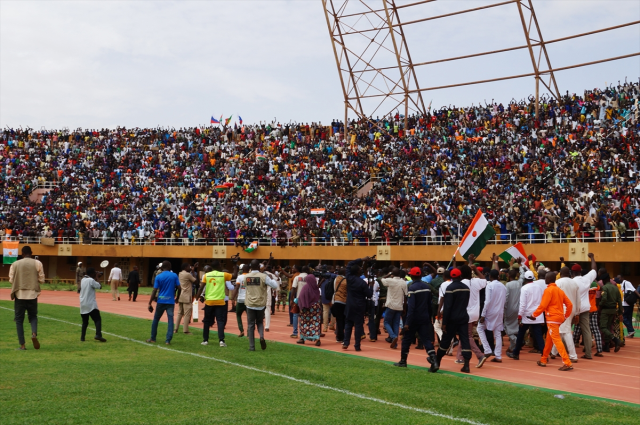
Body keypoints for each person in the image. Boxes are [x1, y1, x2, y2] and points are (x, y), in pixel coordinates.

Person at [393, 267, 437, 370]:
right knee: (426, 339)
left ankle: (403, 361)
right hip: (425, 317)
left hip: (414, 318)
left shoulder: (412, 288)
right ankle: (434, 360)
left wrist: (407, 323)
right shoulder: (427, 287)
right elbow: (429, 304)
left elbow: (411, 307)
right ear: (421, 275)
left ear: (412, 276)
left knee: (406, 340)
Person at [529, 272, 573, 371]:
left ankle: (567, 362)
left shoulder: (548, 290)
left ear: (548, 279)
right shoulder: (559, 290)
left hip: (552, 318)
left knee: (556, 340)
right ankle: (543, 359)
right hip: (559, 318)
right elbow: (569, 305)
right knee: (549, 339)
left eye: (545, 277)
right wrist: (565, 316)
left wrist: (534, 315)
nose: (544, 279)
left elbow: (543, 305)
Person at [436, 268, 472, 373]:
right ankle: (466, 365)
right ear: (460, 276)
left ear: (451, 277)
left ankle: (437, 362)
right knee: (465, 340)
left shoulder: (450, 288)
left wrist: (445, 323)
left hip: (452, 319)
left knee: (446, 340)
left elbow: (447, 307)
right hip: (463, 317)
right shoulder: (466, 288)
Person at [9, 246, 45, 350]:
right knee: (33, 316)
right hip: (32, 294)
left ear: (22, 253)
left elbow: (11, 280)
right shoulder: (38, 263)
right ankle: (34, 334)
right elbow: (42, 279)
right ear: (31, 253)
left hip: (19, 294)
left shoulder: (15, 264)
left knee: (19, 320)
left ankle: (22, 345)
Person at [196, 260, 238, 347]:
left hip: (209, 302)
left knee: (207, 321)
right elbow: (235, 275)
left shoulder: (206, 275)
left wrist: (197, 297)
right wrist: (235, 265)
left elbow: (201, 288)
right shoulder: (223, 275)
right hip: (220, 302)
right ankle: (221, 341)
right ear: (218, 266)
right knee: (220, 321)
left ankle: (205, 340)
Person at [456, 255, 488, 368]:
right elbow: (484, 280)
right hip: (475, 313)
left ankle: (480, 355)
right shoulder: (475, 281)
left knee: (467, 336)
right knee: (464, 334)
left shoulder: (461, 283)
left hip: (466, 313)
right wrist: (474, 268)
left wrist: (470, 264)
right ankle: (460, 357)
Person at [509, 270, 545, 360]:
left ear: (525, 279)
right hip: (536, 315)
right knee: (539, 336)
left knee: (520, 334)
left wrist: (519, 316)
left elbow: (522, 304)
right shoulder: (539, 288)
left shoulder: (524, 288)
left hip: (526, 315)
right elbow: (542, 302)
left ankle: (516, 353)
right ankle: (544, 355)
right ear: (533, 278)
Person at [244, 259, 279, 351]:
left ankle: (252, 347)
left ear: (250, 267)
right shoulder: (264, 276)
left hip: (250, 303)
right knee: (259, 322)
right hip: (260, 304)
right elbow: (275, 286)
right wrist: (271, 278)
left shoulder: (246, 276)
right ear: (259, 267)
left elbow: (245, 286)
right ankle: (262, 337)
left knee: (251, 325)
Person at [570, 253, 598, 358]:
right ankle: (588, 354)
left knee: (567, 329)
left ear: (572, 272)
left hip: (573, 309)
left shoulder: (571, 282)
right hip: (585, 308)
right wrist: (592, 258)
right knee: (586, 331)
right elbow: (594, 269)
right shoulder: (586, 279)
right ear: (580, 272)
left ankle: (561, 350)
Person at [342, 257, 374, 352]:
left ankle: (346, 342)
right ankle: (357, 346)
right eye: (360, 269)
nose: (361, 270)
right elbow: (369, 295)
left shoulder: (349, 278)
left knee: (348, 324)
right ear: (357, 272)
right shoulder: (362, 283)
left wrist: (362, 259)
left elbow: (349, 264)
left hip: (350, 304)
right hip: (359, 306)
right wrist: (371, 286)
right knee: (358, 326)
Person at [551, 267, 580, 363]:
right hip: (572, 308)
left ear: (560, 273)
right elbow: (578, 299)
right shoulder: (574, 283)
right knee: (560, 331)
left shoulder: (558, 283)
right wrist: (577, 313)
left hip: (563, 308)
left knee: (566, 331)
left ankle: (573, 355)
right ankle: (553, 352)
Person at [147, 261, 180, 345]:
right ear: (170, 267)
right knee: (170, 320)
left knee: (156, 319)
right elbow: (180, 288)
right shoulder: (174, 275)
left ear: (162, 268)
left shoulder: (159, 276)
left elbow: (154, 290)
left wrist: (150, 303)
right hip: (170, 301)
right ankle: (168, 340)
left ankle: (153, 338)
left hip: (161, 300)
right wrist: (177, 298)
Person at [477, 269, 506, 364]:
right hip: (499, 312)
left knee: (480, 328)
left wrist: (483, 314)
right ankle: (498, 356)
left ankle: (487, 349)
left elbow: (487, 301)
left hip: (490, 312)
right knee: (498, 334)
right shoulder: (503, 286)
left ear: (490, 276)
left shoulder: (490, 286)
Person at [381, 267, 408, 349]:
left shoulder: (390, 280)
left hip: (390, 305)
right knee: (396, 324)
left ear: (392, 274)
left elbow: (382, 279)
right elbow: (406, 295)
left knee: (386, 322)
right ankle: (394, 343)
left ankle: (393, 336)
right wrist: (404, 307)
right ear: (400, 274)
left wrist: (389, 274)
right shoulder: (403, 282)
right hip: (399, 306)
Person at [598, 270, 624, 353]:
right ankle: (606, 345)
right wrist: (620, 311)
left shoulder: (605, 288)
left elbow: (604, 298)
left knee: (603, 327)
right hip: (613, 310)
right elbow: (619, 300)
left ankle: (615, 340)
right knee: (608, 327)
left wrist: (600, 306)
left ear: (604, 280)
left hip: (605, 309)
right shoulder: (615, 288)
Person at [79, 268, 107, 342]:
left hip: (83, 303)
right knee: (97, 319)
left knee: (85, 322)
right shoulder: (91, 280)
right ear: (91, 274)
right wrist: (97, 277)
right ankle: (98, 334)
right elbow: (99, 286)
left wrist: (95, 277)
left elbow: (91, 282)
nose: (95, 273)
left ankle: (82, 338)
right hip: (91, 304)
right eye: (94, 273)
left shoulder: (83, 279)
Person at [297, 274, 323, 346]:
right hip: (316, 308)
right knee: (315, 323)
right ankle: (317, 339)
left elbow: (301, 297)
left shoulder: (305, 287)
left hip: (306, 308)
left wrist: (300, 303)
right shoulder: (316, 288)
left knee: (304, 323)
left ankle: (302, 338)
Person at [175, 263, 196, 334]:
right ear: (185, 267)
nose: (190, 267)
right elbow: (196, 281)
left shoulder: (180, 274)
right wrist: (193, 271)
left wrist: (177, 297)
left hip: (181, 295)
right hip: (187, 296)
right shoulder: (188, 274)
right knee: (187, 313)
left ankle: (176, 329)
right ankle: (185, 330)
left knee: (180, 313)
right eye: (189, 266)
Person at [290, 266, 310, 339]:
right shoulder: (309, 278)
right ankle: (305, 333)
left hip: (299, 298)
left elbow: (294, 288)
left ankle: (295, 333)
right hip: (308, 300)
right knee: (306, 316)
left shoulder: (297, 277)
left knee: (295, 315)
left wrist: (291, 298)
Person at [330, 267, 347, 344]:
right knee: (343, 320)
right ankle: (343, 337)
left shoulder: (336, 279)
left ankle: (339, 337)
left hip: (336, 300)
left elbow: (334, 289)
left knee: (339, 320)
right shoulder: (346, 281)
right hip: (344, 301)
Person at [235, 264, 248, 337]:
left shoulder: (239, 277)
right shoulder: (250, 276)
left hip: (240, 299)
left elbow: (237, 287)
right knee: (249, 317)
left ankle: (241, 330)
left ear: (242, 269)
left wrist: (233, 297)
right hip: (248, 299)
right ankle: (249, 333)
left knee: (238, 315)